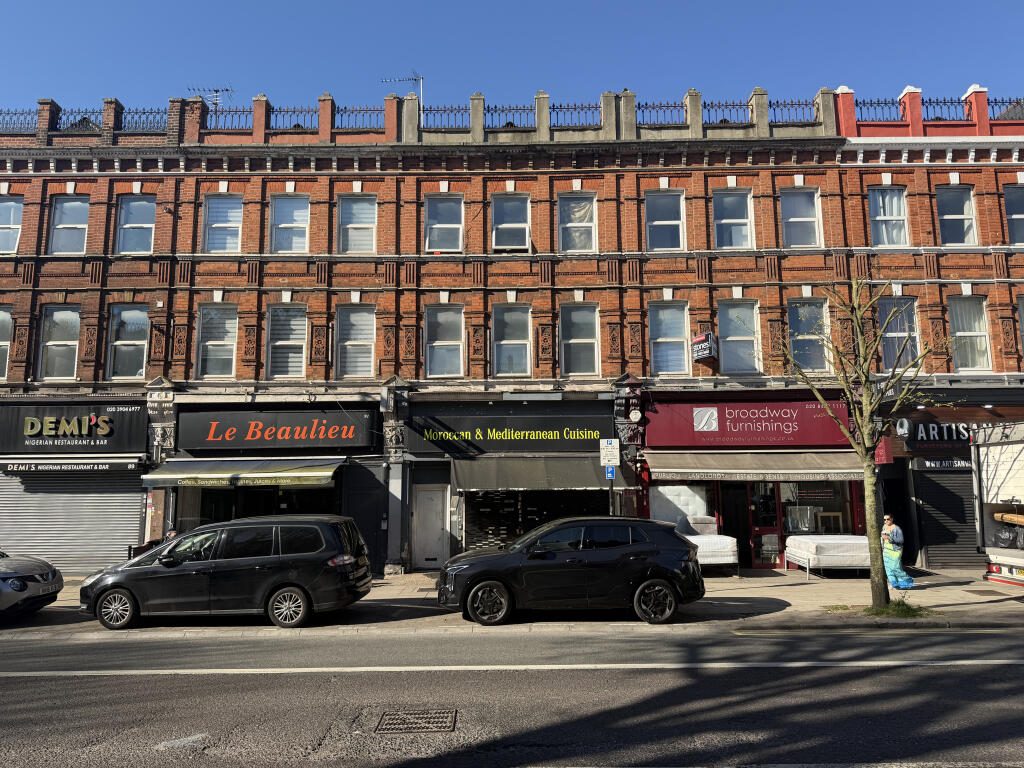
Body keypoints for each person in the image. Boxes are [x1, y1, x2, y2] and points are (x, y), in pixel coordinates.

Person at [881, 514, 914, 589]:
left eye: (888, 519)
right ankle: (894, 584)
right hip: (886, 550)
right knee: (888, 568)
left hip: (895, 550)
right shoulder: (884, 527)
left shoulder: (897, 528)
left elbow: (901, 540)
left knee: (895, 567)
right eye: (884, 519)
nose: (886, 521)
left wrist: (889, 538)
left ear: (892, 519)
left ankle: (907, 581)